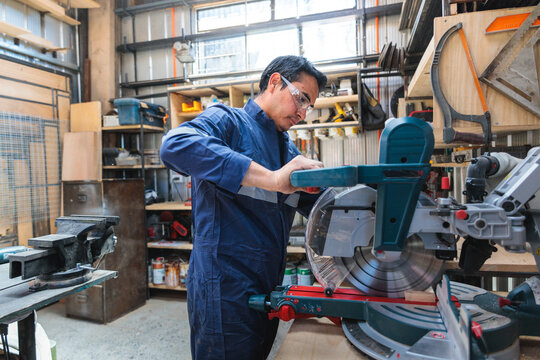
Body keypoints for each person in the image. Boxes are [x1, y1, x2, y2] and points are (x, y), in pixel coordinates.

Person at [160, 55, 327, 359]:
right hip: (224, 290)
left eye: (309, 106)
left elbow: (322, 204)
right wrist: (274, 179)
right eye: (301, 99)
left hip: (267, 286)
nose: (303, 113)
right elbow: (175, 145)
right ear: (275, 82)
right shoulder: (229, 122)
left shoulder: (286, 148)